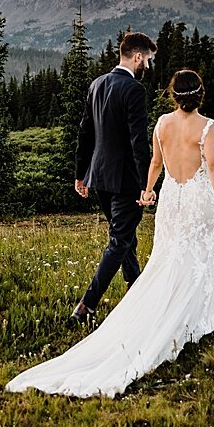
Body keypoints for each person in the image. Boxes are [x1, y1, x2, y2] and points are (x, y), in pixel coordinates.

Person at [8, 69, 214, 397]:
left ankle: (174, 312)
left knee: (167, 258)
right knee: (195, 260)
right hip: (197, 201)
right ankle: (191, 321)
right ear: (200, 94)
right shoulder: (208, 127)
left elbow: (155, 163)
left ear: (173, 95)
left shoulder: (162, 124)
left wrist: (148, 190)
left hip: (171, 198)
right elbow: (212, 166)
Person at [70, 32, 157, 323]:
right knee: (120, 241)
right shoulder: (133, 90)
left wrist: (81, 174)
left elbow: (84, 133)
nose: (148, 65)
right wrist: (147, 184)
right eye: (148, 60)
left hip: (100, 177)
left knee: (125, 238)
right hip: (126, 181)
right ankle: (86, 306)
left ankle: (137, 289)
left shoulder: (97, 84)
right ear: (137, 57)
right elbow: (138, 142)